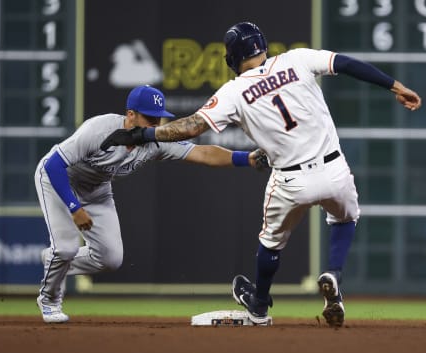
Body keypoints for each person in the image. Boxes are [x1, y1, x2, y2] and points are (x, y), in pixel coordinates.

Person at [100, 22, 422, 327]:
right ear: (262, 46)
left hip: (290, 180)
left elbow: (192, 127)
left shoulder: (234, 91)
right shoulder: (297, 58)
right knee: (345, 218)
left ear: (232, 57)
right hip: (334, 168)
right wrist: (395, 85)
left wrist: (143, 136)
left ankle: (259, 304)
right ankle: (334, 274)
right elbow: (348, 63)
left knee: (270, 244)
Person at [35, 84, 267, 323]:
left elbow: (203, 153)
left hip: (97, 189)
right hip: (59, 181)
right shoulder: (99, 129)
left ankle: (55, 261)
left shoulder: (155, 140)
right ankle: (50, 299)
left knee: (110, 258)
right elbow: (54, 165)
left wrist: (246, 158)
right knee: (65, 248)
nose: (154, 125)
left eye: (158, 119)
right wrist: (74, 207)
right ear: (130, 114)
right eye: (149, 118)